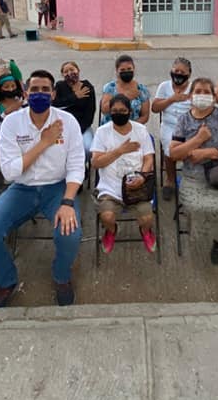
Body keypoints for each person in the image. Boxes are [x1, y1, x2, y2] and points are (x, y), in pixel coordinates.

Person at [0, 70, 85, 309]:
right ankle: (6, 281)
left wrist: (67, 202)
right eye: (34, 89)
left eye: (45, 90)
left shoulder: (68, 122)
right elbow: (10, 172)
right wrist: (44, 142)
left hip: (57, 188)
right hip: (22, 189)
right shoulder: (12, 122)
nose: (39, 94)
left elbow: (76, 166)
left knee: (70, 234)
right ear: (25, 93)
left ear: (53, 94)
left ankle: (61, 277)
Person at [169, 78, 218, 265]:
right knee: (196, 208)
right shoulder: (183, 120)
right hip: (193, 176)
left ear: (213, 96)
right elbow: (174, 154)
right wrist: (198, 139)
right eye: (198, 91)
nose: (202, 95)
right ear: (190, 96)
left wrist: (210, 152)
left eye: (206, 92)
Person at [91, 95, 156, 254]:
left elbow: (149, 158)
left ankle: (145, 231)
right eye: (114, 111)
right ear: (109, 112)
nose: (118, 113)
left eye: (122, 110)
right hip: (110, 187)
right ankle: (111, 231)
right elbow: (96, 163)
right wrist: (120, 151)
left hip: (137, 186)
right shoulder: (102, 132)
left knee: (147, 218)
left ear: (130, 112)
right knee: (107, 217)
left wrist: (142, 176)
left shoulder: (140, 130)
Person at [152, 57, 192, 200]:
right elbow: (155, 108)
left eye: (182, 72)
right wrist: (171, 99)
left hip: (190, 127)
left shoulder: (194, 88)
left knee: (194, 147)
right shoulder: (164, 86)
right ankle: (170, 179)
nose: (178, 74)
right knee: (170, 149)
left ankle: (191, 178)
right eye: (176, 71)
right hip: (169, 126)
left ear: (189, 74)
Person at [53, 61, 96, 160]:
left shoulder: (87, 87)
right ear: (62, 75)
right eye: (66, 71)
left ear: (78, 70)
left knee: (87, 149)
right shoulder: (59, 86)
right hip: (62, 127)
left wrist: (77, 131)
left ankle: (82, 167)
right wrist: (75, 97)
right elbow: (55, 105)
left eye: (72, 70)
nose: (69, 73)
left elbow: (90, 113)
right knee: (56, 148)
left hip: (83, 127)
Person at [0, 75, 27, 179]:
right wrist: (7, 112)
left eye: (13, 86)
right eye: (6, 87)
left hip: (23, 139)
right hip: (2, 140)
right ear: (0, 89)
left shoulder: (23, 101)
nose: (11, 89)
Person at [100, 55, 150, 125]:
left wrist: (129, 127)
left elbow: (145, 116)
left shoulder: (141, 90)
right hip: (110, 126)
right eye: (122, 70)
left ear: (134, 69)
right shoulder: (110, 87)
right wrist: (126, 97)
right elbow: (104, 110)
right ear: (117, 71)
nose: (126, 72)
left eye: (129, 69)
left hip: (133, 127)